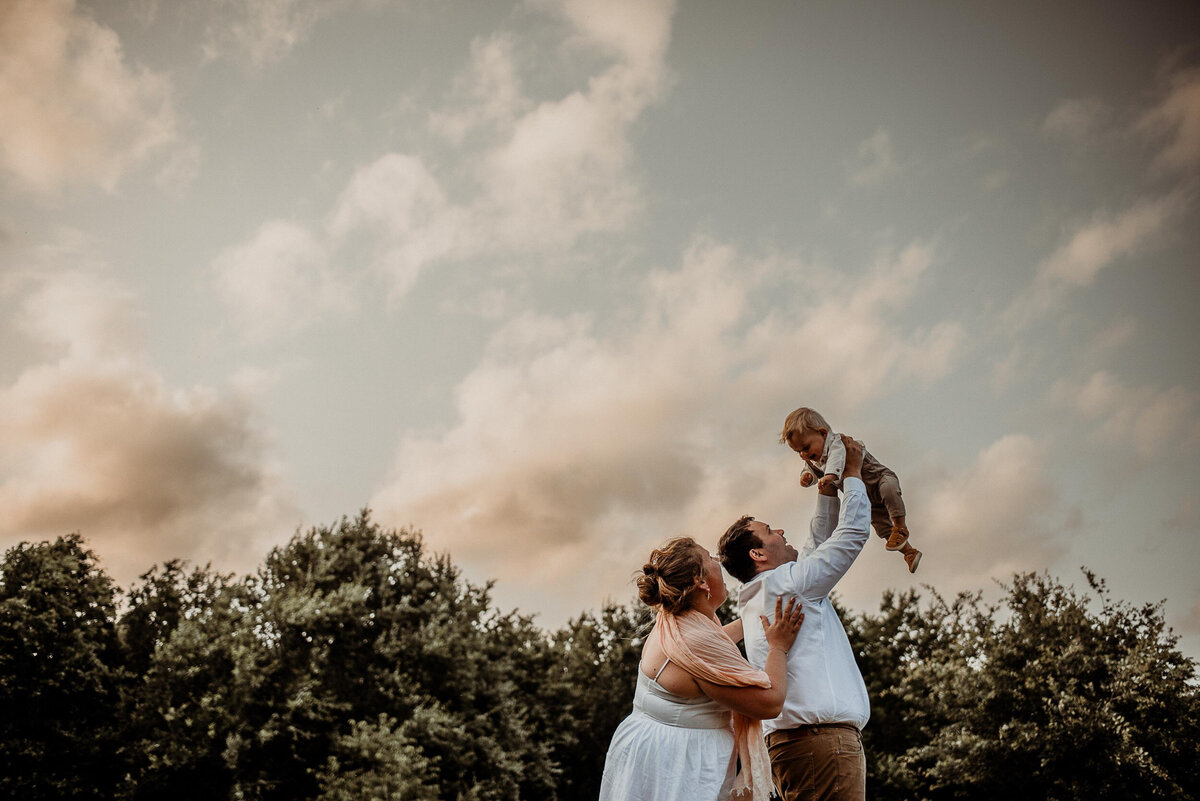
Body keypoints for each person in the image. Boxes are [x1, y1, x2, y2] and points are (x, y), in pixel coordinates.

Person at [717, 434, 870, 801]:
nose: (782, 532)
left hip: (802, 745)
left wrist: (826, 490)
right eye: (770, 532)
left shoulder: (765, 591)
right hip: (820, 745)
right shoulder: (787, 585)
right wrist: (852, 474)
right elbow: (851, 535)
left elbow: (818, 544)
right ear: (758, 554)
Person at [599, 537, 805, 801]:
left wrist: (751, 620)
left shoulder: (677, 615)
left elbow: (708, 646)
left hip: (648, 748)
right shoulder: (696, 640)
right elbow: (770, 704)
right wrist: (778, 646)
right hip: (677, 763)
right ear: (701, 582)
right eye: (710, 558)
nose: (718, 561)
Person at [781, 406, 922, 573]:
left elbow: (837, 459)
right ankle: (909, 553)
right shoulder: (814, 459)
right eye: (798, 452)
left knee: (889, 490)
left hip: (879, 479)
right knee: (881, 527)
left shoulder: (837, 443)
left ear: (823, 433)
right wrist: (808, 477)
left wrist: (831, 476)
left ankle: (901, 526)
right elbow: (811, 469)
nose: (804, 455)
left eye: (805, 448)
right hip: (867, 497)